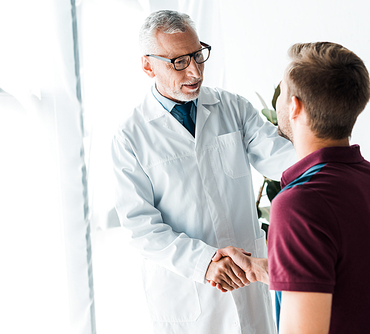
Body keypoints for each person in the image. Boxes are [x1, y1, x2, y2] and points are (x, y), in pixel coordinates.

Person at [111, 9, 295, 334]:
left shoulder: (233, 108)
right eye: (178, 61)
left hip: (247, 281)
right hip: (187, 294)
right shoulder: (131, 137)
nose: (195, 71)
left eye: (198, 55)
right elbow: (141, 227)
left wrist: (329, 159)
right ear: (147, 65)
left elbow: (280, 158)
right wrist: (204, 262)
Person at [212, 42, 370, 334]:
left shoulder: (300, 204)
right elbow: (349, 279)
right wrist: (265, 269)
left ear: (295, 106)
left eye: (282, 93)